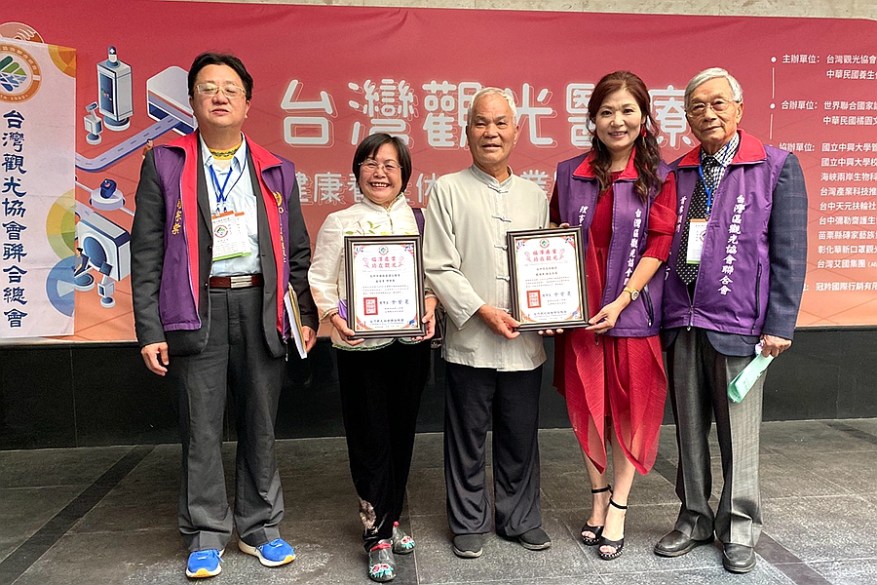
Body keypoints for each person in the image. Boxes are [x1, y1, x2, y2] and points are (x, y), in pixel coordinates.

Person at [131, 52, 318, 579]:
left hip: (261, 305)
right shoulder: (166, 163)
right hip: (197, 308)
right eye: (208, 88)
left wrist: (303, 313)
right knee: (201, 428)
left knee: (261, 424)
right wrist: (149, 327)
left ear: (248, 103)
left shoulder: (276, 169)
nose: (220, 97)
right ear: (192, 101)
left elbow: (296, 252)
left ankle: (260, 528)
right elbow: (145, 251)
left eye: (231, 89)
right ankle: (206, 533)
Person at [654, 67, 807, 574]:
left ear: (739, 108)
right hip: (683, 318)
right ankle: (694, 517)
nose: (708, 114)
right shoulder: (676, 173)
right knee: (689, 428)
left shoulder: (775, 166)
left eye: (718, 103)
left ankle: (739, 527)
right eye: (697, 107)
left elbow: (789, 253)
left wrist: (780, 323)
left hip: (741, 322)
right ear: (687, 118)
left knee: (738, 435)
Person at [551, 71, 676, 561]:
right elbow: (554, 237)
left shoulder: (660, 176)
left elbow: (660, 243)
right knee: (588, 407)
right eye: (606, 112)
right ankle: (597, 498)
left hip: (632, 311)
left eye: (627, 110)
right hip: (581, 313)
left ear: (643, 118)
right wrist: (556, 302)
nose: (616, 121)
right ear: (593, 120)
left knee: (628, 410)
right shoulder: (570, 173)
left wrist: (622, 299)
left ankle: (619, 506)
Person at [423, 87, 551, 559]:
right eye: (481, 122)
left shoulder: (535, 195)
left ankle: (520, 518)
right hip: (470, 338)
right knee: (467, 438)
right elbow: (438, 265)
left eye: (500, 123)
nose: (490, 132)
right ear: (466, 132)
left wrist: (551, 309)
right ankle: (468, 521)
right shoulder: (447, 189)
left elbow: (544, 261)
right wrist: (482, 310)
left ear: (517, 131)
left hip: (523, 343)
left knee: (520, 435)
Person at [308, 133, 436, 583]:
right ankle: (375, 535)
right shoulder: (339, 222)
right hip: (359, 348)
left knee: (401, 435)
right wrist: (332, 316)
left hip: (409, 345)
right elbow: (320, 279)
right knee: (368, 439)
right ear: (357, 171)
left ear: (405, 174)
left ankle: (391, 516)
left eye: (390, 165)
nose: (379, 173)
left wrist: (431, 303)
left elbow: (433, 278)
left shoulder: (421, 221)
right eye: (370, 163)